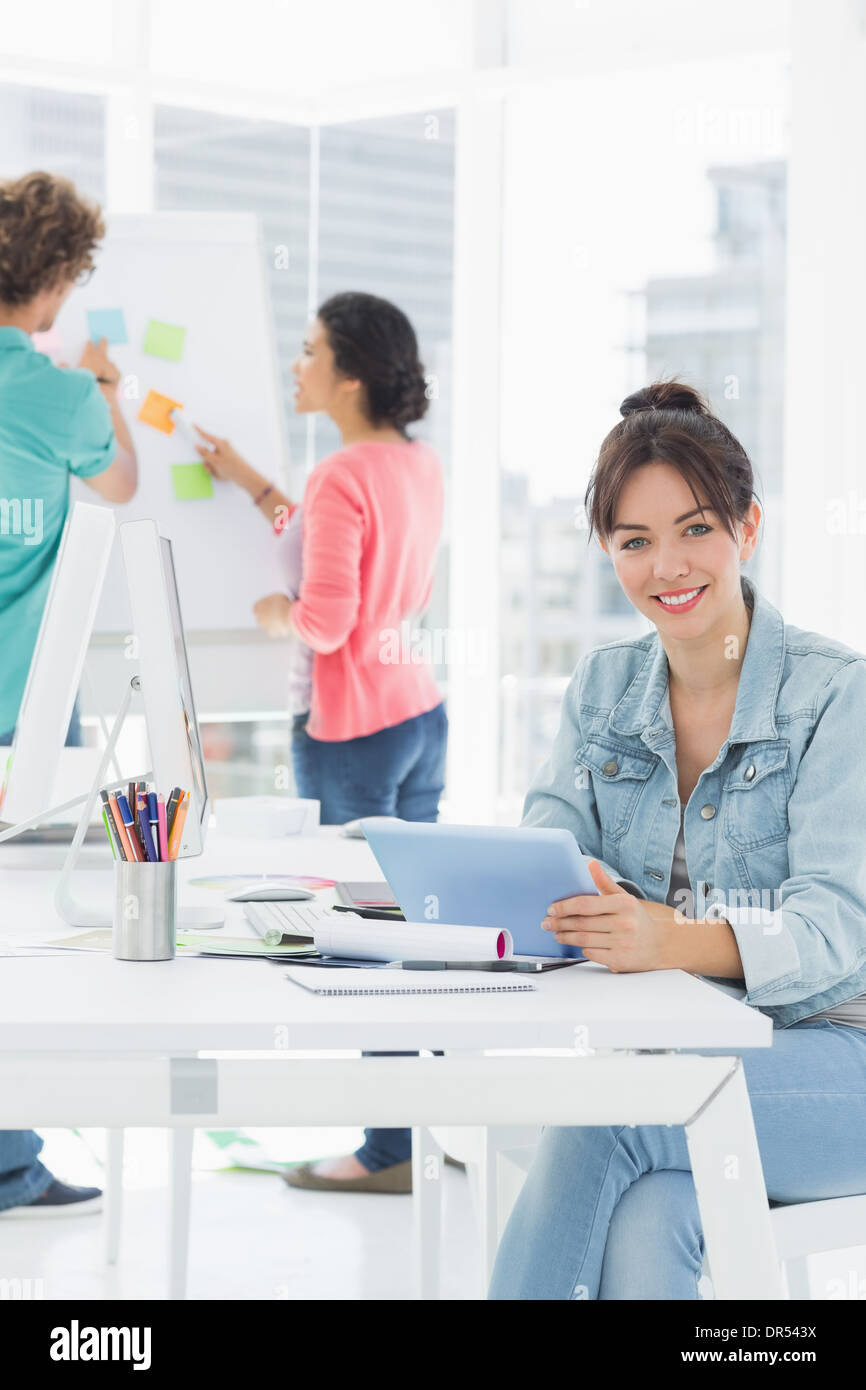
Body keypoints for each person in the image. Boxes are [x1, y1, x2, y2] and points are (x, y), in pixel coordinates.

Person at [489, 380, 866, 1299]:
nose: (669, 565)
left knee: (608, 1117)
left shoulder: (835, 694)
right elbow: (551, 832)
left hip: (837, 1056)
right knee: (653, 1213)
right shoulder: (602, 688)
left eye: (696, 528)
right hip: (684, 1046)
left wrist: (671, 937)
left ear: (749, 526)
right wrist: (569, 878)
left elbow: (837, 929)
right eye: (635, 541)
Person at [195, 291, 447, 1193]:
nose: (295, 365)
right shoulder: (411, 465)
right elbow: (327, 544)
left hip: (353, 734)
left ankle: (386, 1153)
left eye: (307, 352)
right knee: (419, 929)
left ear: (346, 375)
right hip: (418, 714)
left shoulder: (344, 475)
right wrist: (252, 481)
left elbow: (327, 615)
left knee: (370, 943)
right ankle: (415, 1129)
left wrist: (275, 614)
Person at [0, 170, 138, 1216]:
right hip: (25, 715)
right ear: (50, 279)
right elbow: (123, 483)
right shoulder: (59, 394)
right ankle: (9, 1161)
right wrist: (107, 391)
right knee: (17, 952)